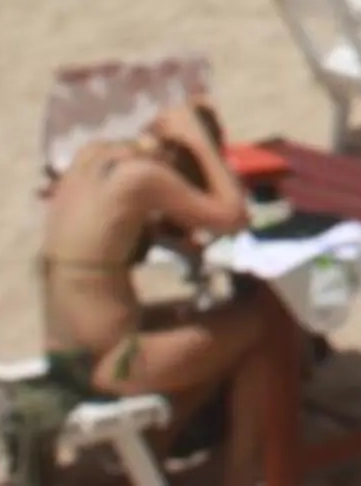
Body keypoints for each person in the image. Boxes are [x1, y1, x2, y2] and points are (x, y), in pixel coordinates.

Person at [37, 101, 293, 485]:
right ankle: (244, 472)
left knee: (198, 320)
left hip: (65, 354)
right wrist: (201, 145)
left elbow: (104, 235)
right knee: (264, 325)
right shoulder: (143, 178)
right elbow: (233, 217)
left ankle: (153, 447)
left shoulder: (92, 158)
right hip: (113, 361)